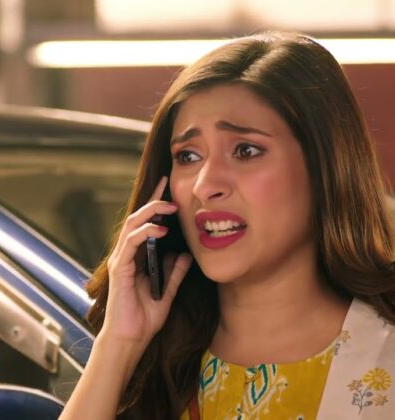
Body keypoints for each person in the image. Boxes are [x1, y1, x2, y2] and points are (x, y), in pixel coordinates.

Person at [59, 31, 395, 420]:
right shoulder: (151, 368)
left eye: (245, 150)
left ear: (325, 167)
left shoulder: (383, 356)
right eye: (188, 156)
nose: (205, 186)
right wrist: (118, 343)